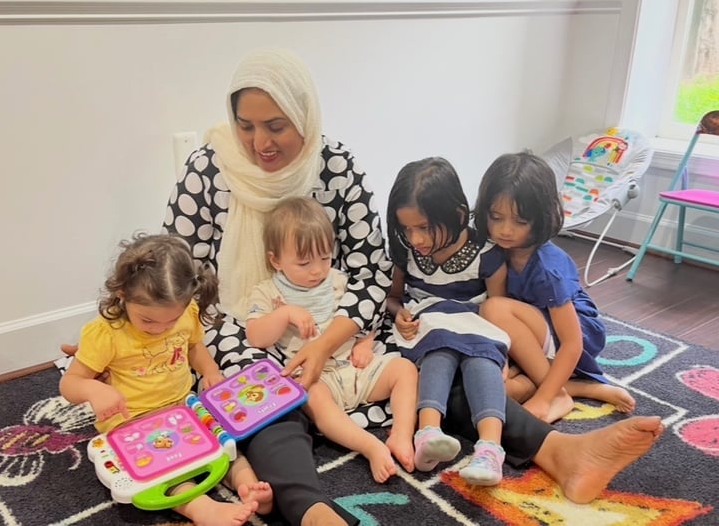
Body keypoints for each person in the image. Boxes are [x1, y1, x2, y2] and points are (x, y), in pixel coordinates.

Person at [63, 48, 663, 522]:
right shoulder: (209, 169)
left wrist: (333, 340)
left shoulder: (335, 165)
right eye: (245, 126)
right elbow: (179, 275)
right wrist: (130, 336)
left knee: (435, 360)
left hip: (342, 324)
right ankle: (312, 509)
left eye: (276, 125)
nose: (259, 143)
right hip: (240, 328)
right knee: (264, 397)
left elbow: (374, 270)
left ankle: (561, 452)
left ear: (305, 115)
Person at [58, 233, 272, 526]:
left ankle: (249, 488)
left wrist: (210, 371)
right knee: (165, 471)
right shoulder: (105, 333)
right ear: (122, 294)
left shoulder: (187, 312)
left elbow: (194, 346)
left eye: (170, 321)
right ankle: (204, 510)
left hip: (183, 405)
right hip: (131, 418)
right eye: (147, 320)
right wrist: (93, 389)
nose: (160, 329)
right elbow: (69, 383)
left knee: (224, 442)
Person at [246, 196, 418, 483]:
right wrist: (284, 313)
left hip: (356, 367)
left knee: (405, 370)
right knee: (309, 398)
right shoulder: (268, 292)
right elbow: (255, 336)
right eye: (304, 262)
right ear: (275, 260)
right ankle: (370, 446)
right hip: (318, 379)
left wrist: (365, 342)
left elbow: (366, 315)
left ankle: (402, 432)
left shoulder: (338, 280)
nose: (317, 270)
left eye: (325, 257)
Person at [474, 151, 636, 423]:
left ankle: (557, 395)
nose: (505, 230)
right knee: (501, 390)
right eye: (496, 217)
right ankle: (580, 388)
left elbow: (572, 344)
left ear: (540, 218)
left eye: (519, 222)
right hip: (532, 332)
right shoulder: (495, 250)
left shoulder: (549, 269)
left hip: (574, 340)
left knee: (493, 308)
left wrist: (544, 398)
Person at [385, 157, 510, 485]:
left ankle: (490, 451)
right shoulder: (407, 252)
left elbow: (499, 311)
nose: (416, 239)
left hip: (476, 333)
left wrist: (504, 355)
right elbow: (393, 298)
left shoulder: (487, 255)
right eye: (406, 229)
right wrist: (399, 314)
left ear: (456, 215)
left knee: (481, 361)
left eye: (424, 228)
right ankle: (428, 434)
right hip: (428, 332)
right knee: (439, 352)